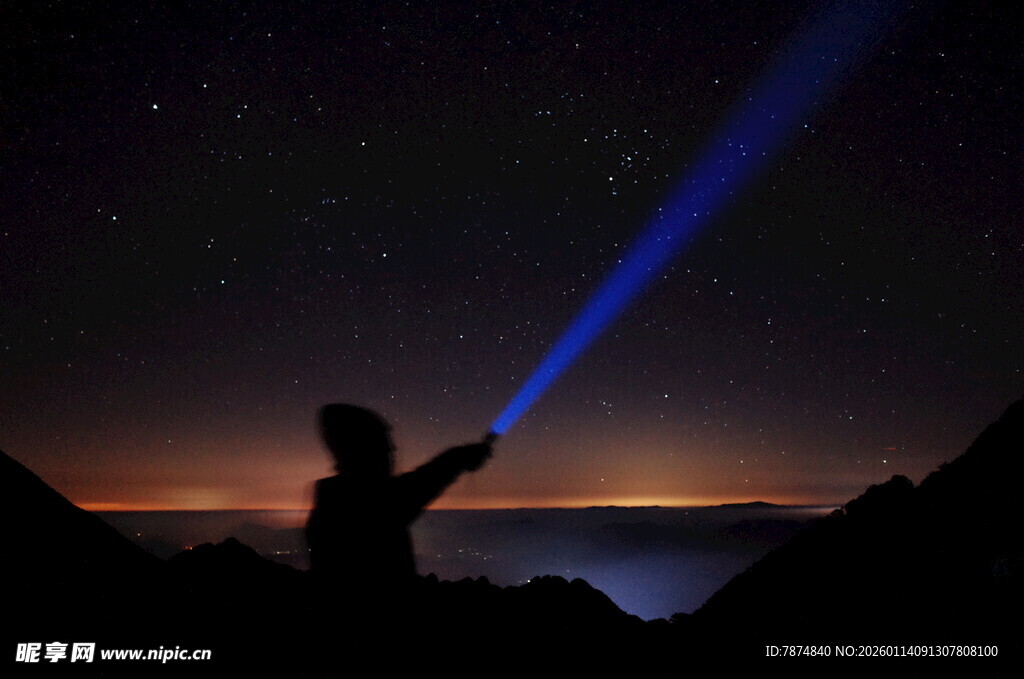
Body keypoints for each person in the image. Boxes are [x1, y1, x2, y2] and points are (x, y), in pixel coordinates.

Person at [306, 404, 492, 601]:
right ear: (360, 448)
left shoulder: (336, 501)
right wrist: (461, 457)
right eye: (382, 442)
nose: (392, 449)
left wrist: (459, 458)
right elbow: (416, 486)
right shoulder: (355, 503)